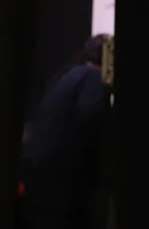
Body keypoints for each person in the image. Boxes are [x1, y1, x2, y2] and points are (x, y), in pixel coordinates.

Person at [21, 35, 111, 229]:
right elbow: (91, 118)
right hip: (62, 178)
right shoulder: (92, 79)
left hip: (38, 171)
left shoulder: (70, 75)